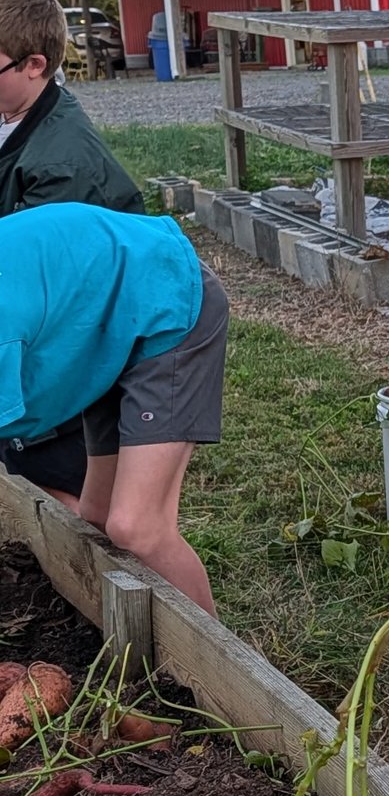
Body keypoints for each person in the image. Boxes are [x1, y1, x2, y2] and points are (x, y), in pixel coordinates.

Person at [0, 202, 228, 614]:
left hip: (163, 300)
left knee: (138, 527)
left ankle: (224, 669)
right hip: (100, 324)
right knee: (98, 514)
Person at [0, 0, 144, 509]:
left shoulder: (63, 166)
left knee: (58, 478)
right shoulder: (16, 112)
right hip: (43, 336)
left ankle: (76, 548)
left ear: (34, 65)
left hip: (77, 342)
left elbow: (36, 293)